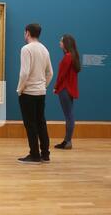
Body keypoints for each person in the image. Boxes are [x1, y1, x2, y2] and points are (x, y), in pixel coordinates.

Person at [17, 23, 53, 164]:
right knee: (41, 123)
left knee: (30, 124)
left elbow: (24, 73)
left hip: (28, 93)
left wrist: (20, 89)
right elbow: (50, 73)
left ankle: (34, 155)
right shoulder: (44, 49)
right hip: (41, 93)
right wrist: (43, 86)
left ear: (27, 33)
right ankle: (45, 154)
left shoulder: (26, 49)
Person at [53, 34, 81, 149]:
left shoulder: (67, 57)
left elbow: (61, 75)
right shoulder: (73, 56)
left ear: (66, 43)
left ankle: (67, 141)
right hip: (69, 89)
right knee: (69, 115)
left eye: (61, 41)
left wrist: (56, 86)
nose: (59, 42)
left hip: (65, 89)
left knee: (68, 115)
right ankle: (67, 140)